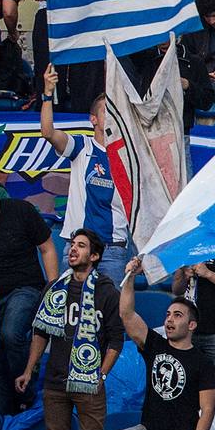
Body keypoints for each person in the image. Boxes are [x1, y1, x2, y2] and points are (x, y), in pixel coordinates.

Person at [78, 263, 215, 430]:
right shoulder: (155, 344)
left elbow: (208, 409)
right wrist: (129, 276)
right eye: (167, 314)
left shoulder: (203, 363)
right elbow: (126, 313)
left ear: (191, 325)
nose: (169, 319)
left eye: (177, 315)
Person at [14, 229, 122, 430]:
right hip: (55, 382)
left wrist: (101, 375)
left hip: (89, 382)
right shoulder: (54, 288)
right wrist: (29, 370)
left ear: (94, 256)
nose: (73, 249)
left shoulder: (107, 292)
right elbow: (41, 331)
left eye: (81, 246)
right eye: (72, 244)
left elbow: (116, 340)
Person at [39, 67, 135, 280]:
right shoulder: (82, 146)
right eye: (106, 111)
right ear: (93, 119)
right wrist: (47, 94)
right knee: (70, 310)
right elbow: (48, 132)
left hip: (113, 248)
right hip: (77, 245)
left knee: (111, 311)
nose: (112, 117)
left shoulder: (130, 155)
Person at [0, 176, 60, 413]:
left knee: (11, 331)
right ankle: (3, 414)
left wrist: (52, 285)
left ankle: (26, 382)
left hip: (25, 288)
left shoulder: (21, 211)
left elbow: (46, 246)